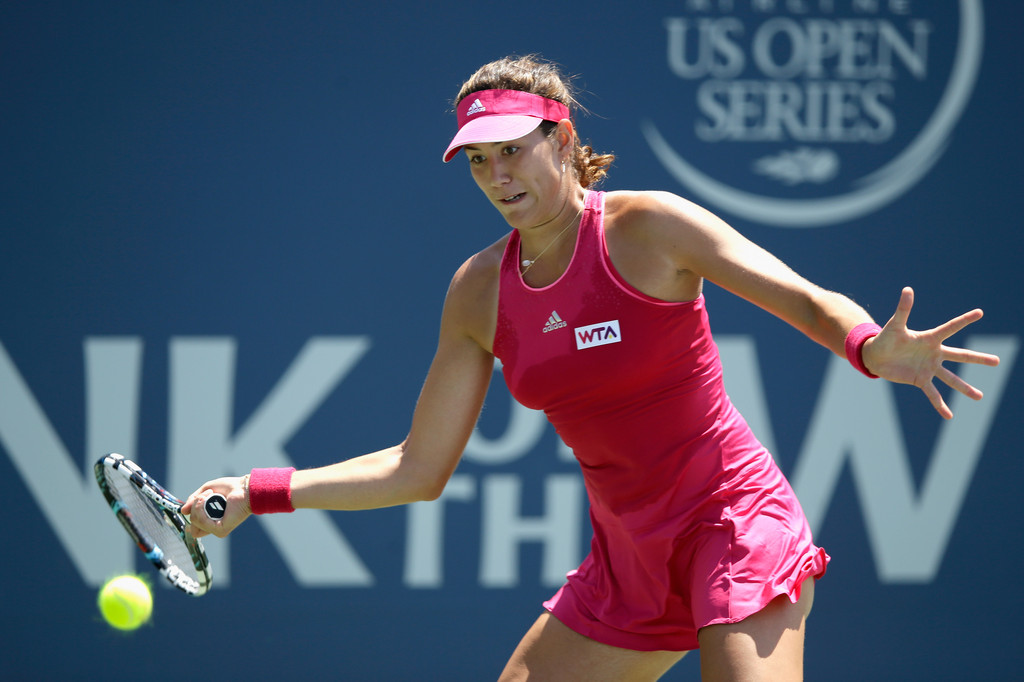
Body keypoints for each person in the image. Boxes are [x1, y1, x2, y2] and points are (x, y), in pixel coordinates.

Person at [184, 55, 1001, 681]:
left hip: (733, 526)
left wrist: (868, 347)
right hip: (626, 560)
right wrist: (258, 492)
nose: (497, 178)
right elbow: (417, 467)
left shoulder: (651, 230)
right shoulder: (477, 292)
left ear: (563, 139)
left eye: (513, 152)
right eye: (479, 162)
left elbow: (806, 300)